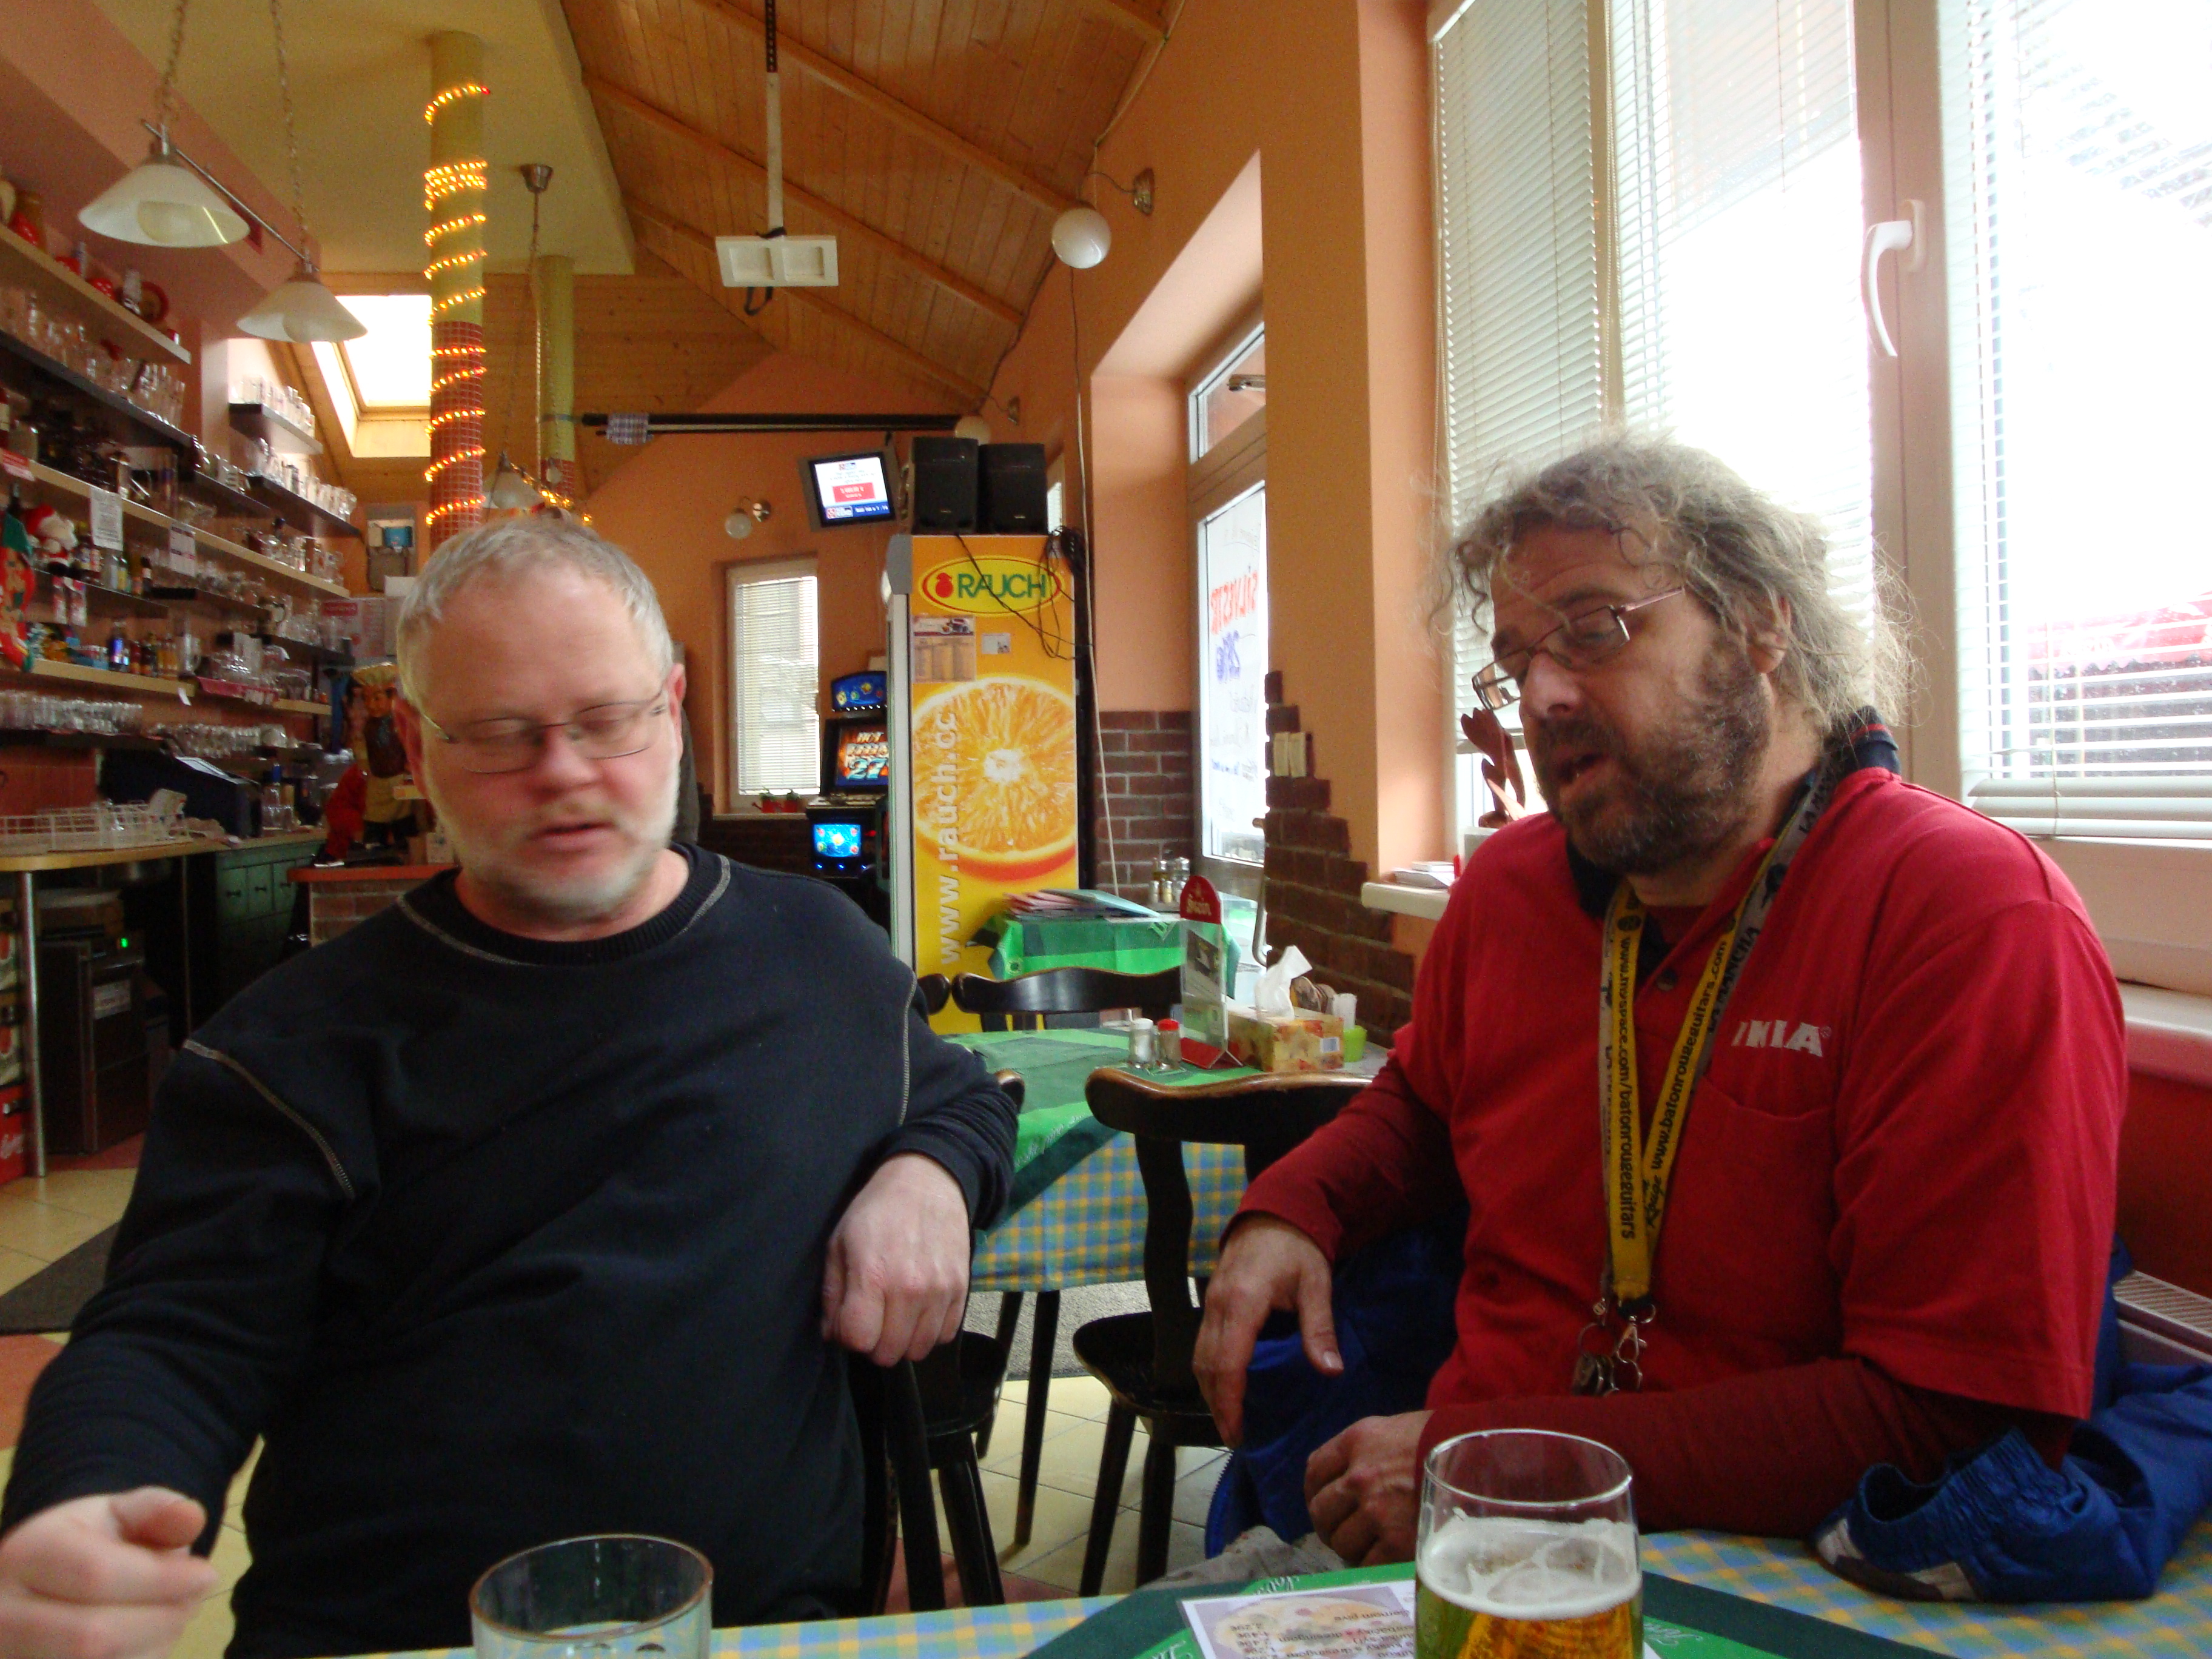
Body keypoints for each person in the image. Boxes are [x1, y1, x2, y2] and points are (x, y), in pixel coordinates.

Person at [0, 518, 1016, 1658]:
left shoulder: (819, 954)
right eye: (498, 733)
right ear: (413, 740)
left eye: (608, 719)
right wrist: (87, 1498)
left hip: (760, 1635)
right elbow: (173, 1337)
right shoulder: (291, 1048)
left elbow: (961, 1095)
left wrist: (929, 1175)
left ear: (674, 709)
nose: (565, 772)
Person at [1193, 437, 2125, 1564]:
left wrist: (1500, 1463)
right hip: (1451, 1533)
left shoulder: (1966, 916)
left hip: (1763, 1573)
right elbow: (1424, 1107)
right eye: (1516, 662)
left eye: (1594, 629)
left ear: (1761, 624)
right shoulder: (1511, 887)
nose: (1542, 695)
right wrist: (1294, 1206)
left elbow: (1953, 1421)